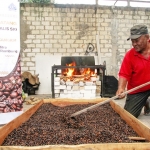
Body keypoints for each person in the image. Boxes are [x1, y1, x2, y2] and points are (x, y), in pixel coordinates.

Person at [116, 24, 150, 118]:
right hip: (138, 90)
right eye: (132, 41)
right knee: (129, 116)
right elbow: (124, 74)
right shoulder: (130, 55)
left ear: (147, 37)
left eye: (137, 40)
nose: (134, 44)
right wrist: (121, 88)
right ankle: (145, 101)